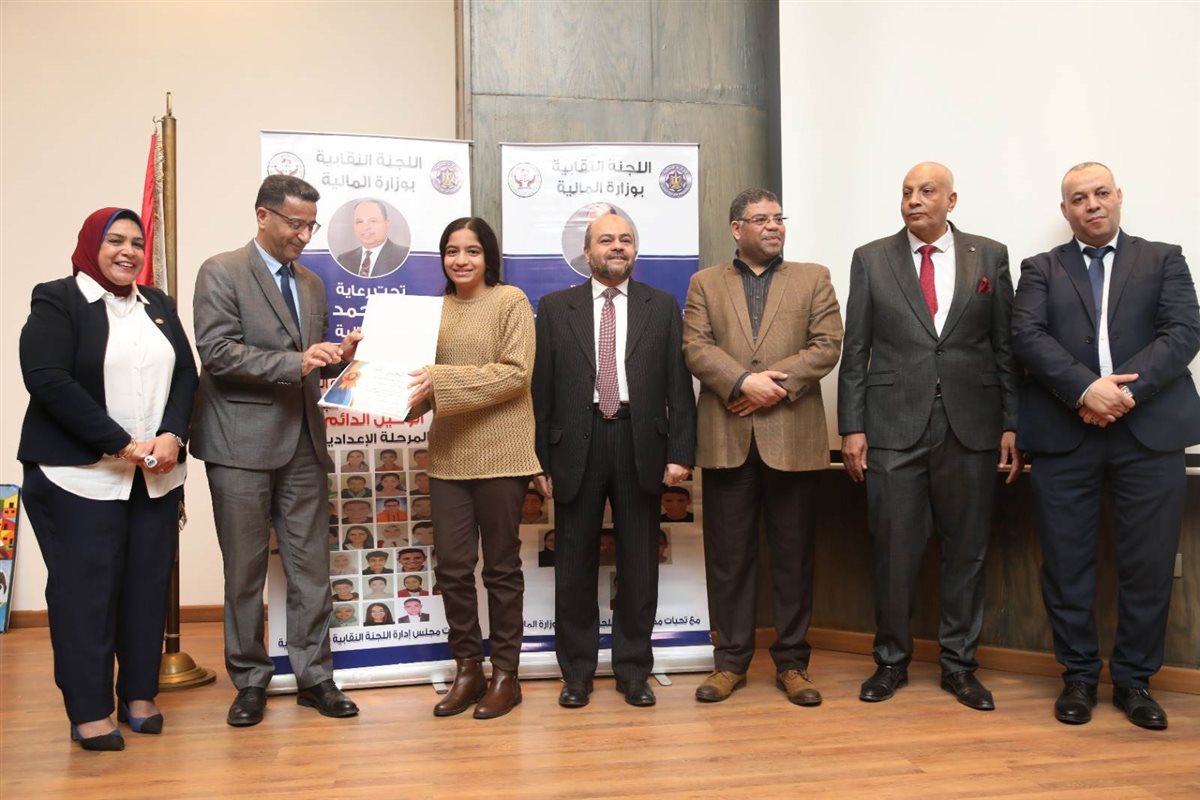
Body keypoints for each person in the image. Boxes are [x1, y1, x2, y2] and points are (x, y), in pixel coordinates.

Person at [1012, 162, 1200, 730]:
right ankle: (1077, 678)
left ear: (1118, 197)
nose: (1091, 204)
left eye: (1100, 193)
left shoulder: (1164, 258)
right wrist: (1085, 390)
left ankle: (1135, 681)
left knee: (1149, 564)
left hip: (1150, 434)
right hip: (1065, 435)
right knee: (1066, 563)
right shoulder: (1040, 268)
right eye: (1078, 198)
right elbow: (1026, 336)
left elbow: (1184, 332)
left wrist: (1121, 394)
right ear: (1065, 210)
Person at [838, 163, 1020, 712]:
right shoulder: (871, 258)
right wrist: (852, 426)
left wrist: (1012, 422)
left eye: (926, 191)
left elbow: (1005, 347)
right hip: (892, 426)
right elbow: (856, 349)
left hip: (972, 425)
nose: (914, 200)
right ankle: (890, 661)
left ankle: (960, 667)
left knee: (967, 551)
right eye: (906, 192)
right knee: (894, 550)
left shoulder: (990, 256)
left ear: (951, 200)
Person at [18, 207, 198, 751]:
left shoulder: (158, 305)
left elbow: (186, 375)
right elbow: (47, 379)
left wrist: (172, 434)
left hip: (154, 479)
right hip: (79, 478)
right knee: (85, 596)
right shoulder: (58, 299)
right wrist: (121, 442)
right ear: (90, 245)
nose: (128, 251)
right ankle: (90, 709)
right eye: (115, 240)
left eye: (136, 243)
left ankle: (139, 694)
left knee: (146, 589)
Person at [191, 175, 362, 727]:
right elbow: (217, 352)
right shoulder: (221, 271)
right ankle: (249, 681)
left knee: (311, 570)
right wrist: (297, 362)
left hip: (303, 444)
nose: (304, 236)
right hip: (238, 445)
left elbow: (310, 362)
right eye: (295, 224)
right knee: (244, 573)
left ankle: (315, 678)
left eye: (311, 225)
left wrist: (339, 356)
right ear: (262, 215)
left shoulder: (311, 283)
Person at [683, 188, 842, 707]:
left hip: (793, 438)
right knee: (728, 559)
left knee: (793, 558)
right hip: (727, 438)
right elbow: (695, 347)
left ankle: (793, 664)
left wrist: (769, 386)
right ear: (736, 228)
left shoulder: (813, 277)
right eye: (761, 219)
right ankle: (729, 663)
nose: (774, 226)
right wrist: (741, 383)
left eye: (779, 218)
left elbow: (827, 345)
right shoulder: (705, 283)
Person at [533, 211, 696, 709]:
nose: (617, 246)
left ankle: (633, 671)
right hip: (574, 446)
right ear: (588, 252)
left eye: (626, 239)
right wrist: (538, 459)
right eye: (606, 240)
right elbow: (541, 390)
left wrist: (680, 452)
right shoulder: (555, 307)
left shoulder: (661, 306)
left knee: (640, 564)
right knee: (573, 564)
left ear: (635, 250)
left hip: (638, 442)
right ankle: (576, 674)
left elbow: (679, 386)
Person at [405, 217, 541, 720]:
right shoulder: (431, 312)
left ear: (489, 257)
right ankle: (468, 669)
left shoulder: (510, 302)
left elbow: (515, 375)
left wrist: (438, 380)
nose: (461, 260)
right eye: (451, 251)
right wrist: (383, 386)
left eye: (472, 251)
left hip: (503, 454)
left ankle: (506, 675)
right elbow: (419, 389)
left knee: (501, 568)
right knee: (453, 569)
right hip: (448, 456)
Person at [335, 199, 409, 278]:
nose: (365, 227)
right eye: (359, 222)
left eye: (373, 221)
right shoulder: (344, 260)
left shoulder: (405, 257)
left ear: (386, 224)